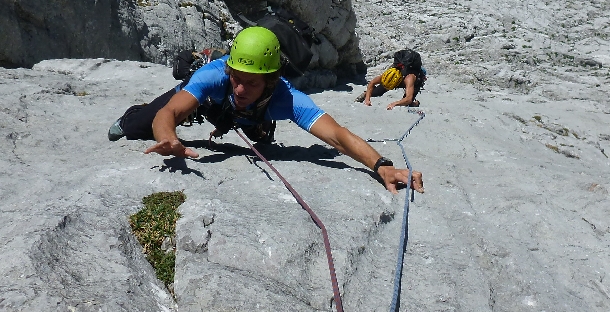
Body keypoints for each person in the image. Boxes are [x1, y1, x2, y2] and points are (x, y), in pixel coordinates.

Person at [109, 26, 423, 194]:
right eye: (237, 79)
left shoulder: (287, 98)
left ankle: (253, 122)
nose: (241, 88)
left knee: (260, 134)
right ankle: (132, 115)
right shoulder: (215, 76)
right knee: (138, 127)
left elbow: (338, 136)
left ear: (272, 81)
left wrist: (380, 164)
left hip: (249, 112)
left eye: (253, 83)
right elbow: (170, 114)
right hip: (210, 101)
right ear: (228, 70)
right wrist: (168, 137)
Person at [359, 49, 426, 110]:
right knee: (378, 91)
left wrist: (394, 104)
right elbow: (372, 83)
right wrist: (367, 99)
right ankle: (366, 94)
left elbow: (408, 98)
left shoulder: (409, 78)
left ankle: (415, 103)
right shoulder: (390, 75)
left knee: (408, 102)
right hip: (396, 78)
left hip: (416, 81)